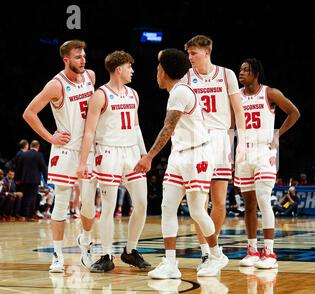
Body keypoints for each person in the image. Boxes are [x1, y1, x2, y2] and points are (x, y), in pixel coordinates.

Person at [135, 48, 226, 279]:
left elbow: (168, 128)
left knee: (196, 210)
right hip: (180, 154)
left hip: (198, 155)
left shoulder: (180, 92)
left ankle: (216, 255)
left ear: (164, 71)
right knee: (167, 207)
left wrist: (149, 157)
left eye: (158, 68)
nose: (156, 72)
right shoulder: (176, 91)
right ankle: (170, 263)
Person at [22, 40, 98, 273]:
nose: (83, 60)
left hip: (89, 149)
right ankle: (57, 255)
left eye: (84, 55)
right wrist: (50, 138)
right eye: (77, 57)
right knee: (61, 204)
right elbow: (29, 113)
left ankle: (85, 241)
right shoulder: (56, 85)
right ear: (66, 60)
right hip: (65, 150)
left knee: (88, 205)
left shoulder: (91, 77)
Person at [77, 50, 151, 273]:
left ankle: (130, 250)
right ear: (119, 69)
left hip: (131, 152)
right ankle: (107, 255)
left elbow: (136, 126)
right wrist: (83, 162)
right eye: (129, 67)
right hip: (108, 152)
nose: (132, 71)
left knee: (142, 203)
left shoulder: (133, 94)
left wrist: (144, 154)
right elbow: (89, 132)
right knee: (108, 207)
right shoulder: (100, 95)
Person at [182, 35, 247, 270]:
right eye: (188, 54)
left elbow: (239, 112)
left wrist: (242, 143)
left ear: (207, 52)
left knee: (219, 201)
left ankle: (212, 247)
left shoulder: (226, 74)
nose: (190, 58)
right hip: (197, 138)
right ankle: (206, 254)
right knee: (199, 202)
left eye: (194, 53)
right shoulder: (186, 77)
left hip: (221, 138)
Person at [234, 58, 300, 269]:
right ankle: (252, 250)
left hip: (264, 150)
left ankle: (270, 253)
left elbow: (294, 113)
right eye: (240, 70)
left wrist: (278, 134)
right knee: (249, 205)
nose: (241, 73)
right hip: (243, 152)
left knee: (263, 200)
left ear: (256, 73)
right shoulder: (235, 96)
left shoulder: (269, 93)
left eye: (246, 70)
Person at [15, 140, 47, 221]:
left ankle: (22, 214)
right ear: (38, 146)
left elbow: (18, 167)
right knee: (32, 197)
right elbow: (44, 168)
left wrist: (17, 178)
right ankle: (29, 216)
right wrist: (46, 180)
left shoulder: (24, 154)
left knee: (24, 196)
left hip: (24, 179)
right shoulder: (39, 155)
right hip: (34, 180)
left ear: (31, 146)